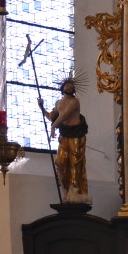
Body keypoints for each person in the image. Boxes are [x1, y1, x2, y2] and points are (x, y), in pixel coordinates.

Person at [38, 76, 90, 204]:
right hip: (64, 136)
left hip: (76, 136)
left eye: (71, 86)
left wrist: (53, 127)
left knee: (75, 164)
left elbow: (64, 116)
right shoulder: (58, 103)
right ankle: (65, 192)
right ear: (62, 88)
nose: (69, 87)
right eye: (67, 85)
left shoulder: (75, 102)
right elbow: (52, 117)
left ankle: (75, 191)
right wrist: (42, 107)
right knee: (60, 164)